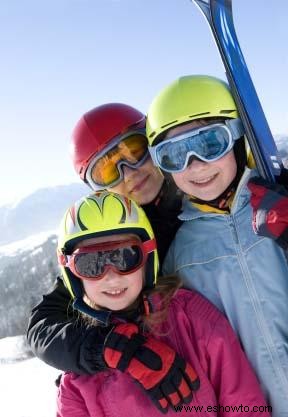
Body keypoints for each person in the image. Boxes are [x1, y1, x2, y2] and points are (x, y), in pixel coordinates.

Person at [26, 103, 186, 409]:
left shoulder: (200, 190)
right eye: (109, 170)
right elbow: (42, 326)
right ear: (96, 188)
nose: (130, 172)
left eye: (134, 150)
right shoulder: (109, 241)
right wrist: (101, 348)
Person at [146, 74, 288, 416]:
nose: (195, 165)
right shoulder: (179, 257)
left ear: (238, 137)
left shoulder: (277, 204)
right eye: (175, 155)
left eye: (210, 143)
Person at [56, 191, 270, 417]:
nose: (111, 276)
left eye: (125, 257)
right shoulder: (77, 380)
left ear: (147, 258)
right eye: (91, 264)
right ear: (73, 275)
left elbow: (244, 406)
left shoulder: (192, 320)